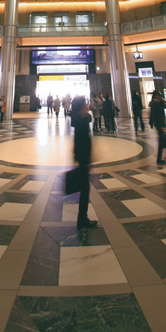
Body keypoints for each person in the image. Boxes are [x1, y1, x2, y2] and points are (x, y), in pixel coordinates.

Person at [72, 95, 97, 231]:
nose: (87, 105)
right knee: (85, 189)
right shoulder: (81, 119)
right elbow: (83, 140)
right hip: (83, 158)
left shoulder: (78, 118)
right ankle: (82, 219)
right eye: (85, 104)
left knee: (84, 189)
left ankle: (82, 218)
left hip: (81, 158)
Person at [149, 90, 166, 165]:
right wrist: (152, 123)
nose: (160, 96)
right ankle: (159, 158)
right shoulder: (154, 103)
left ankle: (159, 158)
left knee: (161, 140)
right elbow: (153, 114)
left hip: (160, 123)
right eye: (159, 95)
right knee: (161, 141)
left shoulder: (158, 102)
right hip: (159, 124)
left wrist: (162, 99)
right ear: (156, 95)